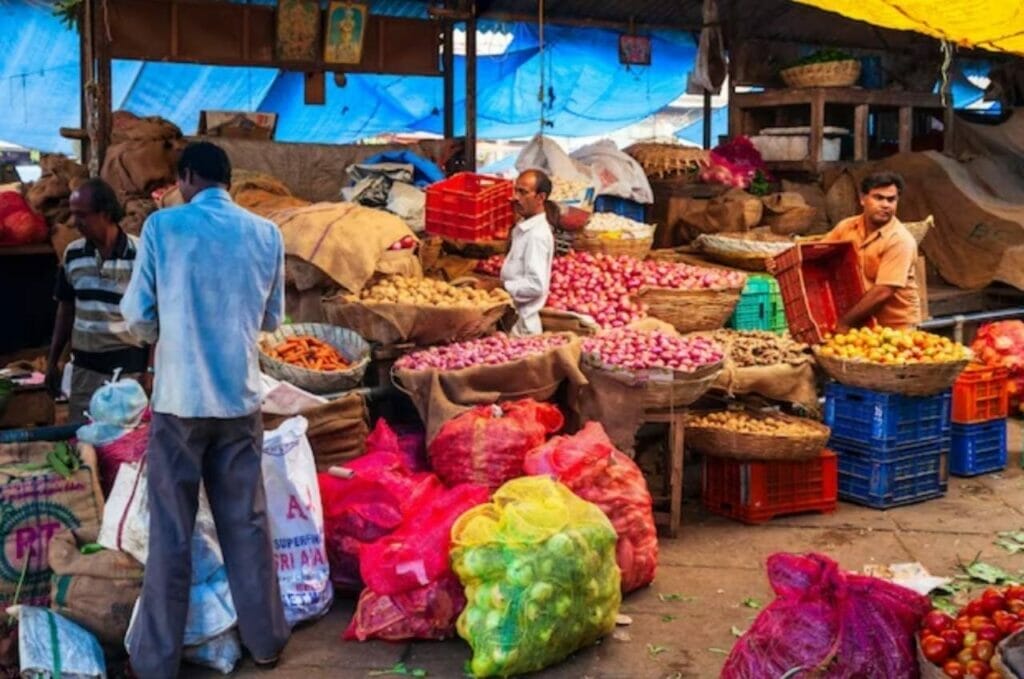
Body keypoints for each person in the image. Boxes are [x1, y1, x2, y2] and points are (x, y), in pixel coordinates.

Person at [120, 141, 288, 676]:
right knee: (248, 525)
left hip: (180, 402)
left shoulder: (163, 229)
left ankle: (156, 662)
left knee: (172, 533)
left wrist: (172, 326)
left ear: (187, 177)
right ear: (228, 181)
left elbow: (138, 317)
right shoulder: (266, 234)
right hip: (239, 401)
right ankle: (266, 642)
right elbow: (271, 321)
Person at [45, 178, 148, 422]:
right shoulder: (73, 253)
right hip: (85, 369)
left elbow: (158, 315)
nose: (75, 222)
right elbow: (66, 310)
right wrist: (53, 361)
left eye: (82, 215)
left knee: (124, 445)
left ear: (104, 213)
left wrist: (151, 370)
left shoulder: (141, 254)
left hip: (129, 371)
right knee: (83, 440)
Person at [821, 171, 921, 332]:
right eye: (878, 198)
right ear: (862, 199)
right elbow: (819, 252)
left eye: (891, 199)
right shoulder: (847, 226)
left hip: (894, 326)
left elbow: (883, 291)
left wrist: (845, 322)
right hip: (859, 318)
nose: (885, 205)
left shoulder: (900, 240)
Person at [501, 169, 556, 336]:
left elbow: (536, 285)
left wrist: (502, 288)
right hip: (514, 322)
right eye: (515, 190)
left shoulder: (536, 235)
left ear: (540, 198)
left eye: (523, 192)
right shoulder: (524, 227)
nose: (516, 197)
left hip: (523, 328)